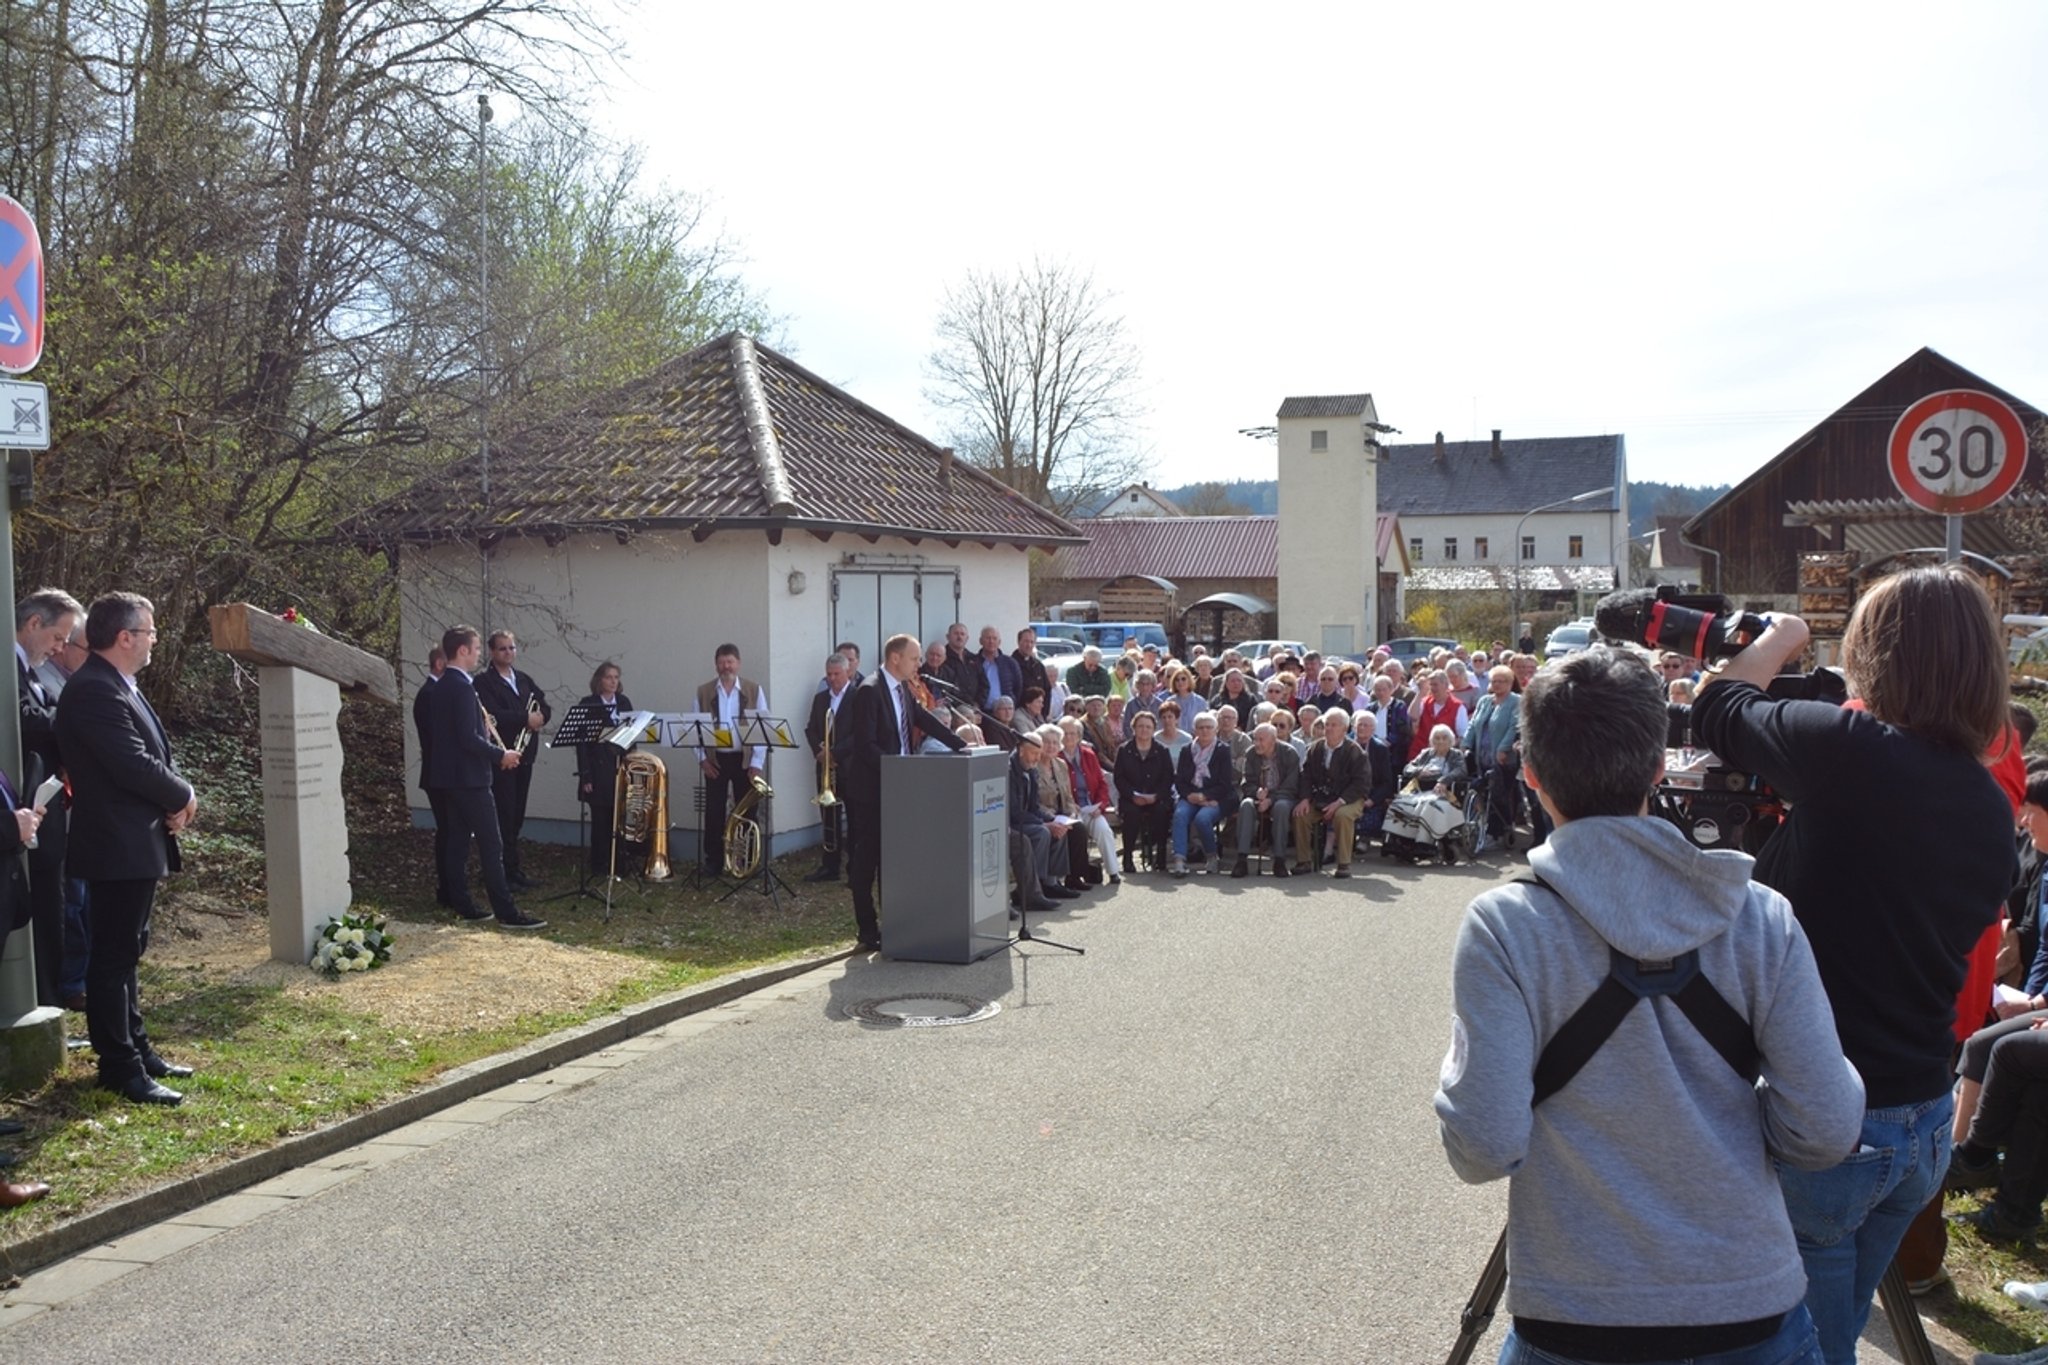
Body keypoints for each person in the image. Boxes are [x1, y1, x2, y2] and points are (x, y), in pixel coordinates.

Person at [1435, 645, 1863, 1365]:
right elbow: (1823, 1128)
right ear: (1661, 766)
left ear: (1533, 777)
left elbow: (1483, 1144)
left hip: (1575, 1312)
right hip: (1748, 1303)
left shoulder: (1506, 926)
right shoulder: (1760, 917)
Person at [1690, 566, 2015, 1362]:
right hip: (1922, 1121)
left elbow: (1717, 707)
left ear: (1879, 654)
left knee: (1807, 1345)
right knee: (1831, 1322)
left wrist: (1785, 636)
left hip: (1834, 1123)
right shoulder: (1985, 801)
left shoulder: (1850, 753)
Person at [52, 592, 197, 1105]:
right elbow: (130, 763)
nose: (156, 639)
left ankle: (137, 1049)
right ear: (124, 637)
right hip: (115, 843)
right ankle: (119, 1067)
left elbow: (152, 752)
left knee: (128, 950)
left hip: (134, 840)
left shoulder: (118, 684)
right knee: (112, 958)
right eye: (151, 631)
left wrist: (172, 798)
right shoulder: (94, 690)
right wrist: (183, 795)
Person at [835, 633, 966, 950]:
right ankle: (867, 931)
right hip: (872, 791)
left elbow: (922, 718)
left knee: (895, 860)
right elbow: (866, 746)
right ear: (895, 658)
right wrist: (899, 773)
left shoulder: (903, 689)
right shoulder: (869, 690)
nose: (918, 664)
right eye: (914, 658)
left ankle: (897, 924)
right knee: (866, 862)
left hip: (896, 788)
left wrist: (962, 745)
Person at [423, 626, 544, 932]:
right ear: (462, 651)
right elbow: (466, 738)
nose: (479, 654)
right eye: (476, 649)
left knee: (458, 843)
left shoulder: (442, 685)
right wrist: (499, 755)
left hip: (449, 778)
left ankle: (463, 904)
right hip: (470, 779)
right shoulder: (462, 687)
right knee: (492, 845)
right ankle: (507, 912)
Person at [15, 587, 81, 1007]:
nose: (60, 648)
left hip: (43, 805)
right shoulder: (9, 665)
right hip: (23, 808)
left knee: (50, 899)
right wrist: (74, 719)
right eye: (58, 637)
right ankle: (40, 998)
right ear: (34, 623)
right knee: (38, 902)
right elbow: (20, 718)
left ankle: (49, 996)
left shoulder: (29, 668)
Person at [474, 631, 551, 889]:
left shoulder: (524, 679)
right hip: (502, 756)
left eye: (512, 648)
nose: (509, 653)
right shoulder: (484, 682)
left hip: (525, 755)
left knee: (517, 815)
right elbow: (491, 715)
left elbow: (543, 706)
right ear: (492, 653)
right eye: (503, 649)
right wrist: (524, 718)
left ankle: (513, 869)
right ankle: (500, 873)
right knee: (503, 816)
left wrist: (541, 718)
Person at [694, 643, 769, 878]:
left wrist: (757, 763)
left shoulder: (753, 690)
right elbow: (696, 730)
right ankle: (714, 862)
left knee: (747, 811)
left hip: (744, 761)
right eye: (722, 662)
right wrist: (703, 760)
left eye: (730, 661)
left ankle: (747, 862)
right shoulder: (704, 691)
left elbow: (762, 729)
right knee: (713, 811)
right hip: (716, 760)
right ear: (716, 664)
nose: (726, 666)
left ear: (738, 663)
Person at [1293, 710, 1370, 877]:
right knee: (1301, 814)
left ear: (1344, 729)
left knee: (1342, 816)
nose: (1328, 728)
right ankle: (1304, 861)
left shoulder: (1355, 751)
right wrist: (1305, 798)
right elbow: (1305, 776)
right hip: (1321, 797)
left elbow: (1361, 783)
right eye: (1326, 724)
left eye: (1333, 725)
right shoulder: (1315, 748)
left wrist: (1339, 802)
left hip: (1348, 799)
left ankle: (1343, 864)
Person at [575, 661, 633, 877]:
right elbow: (582, 745)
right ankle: (599, 866)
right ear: (599, 680)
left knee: (619, 819)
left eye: (616, 677)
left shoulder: (624, 702)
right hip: (598, 770)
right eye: (609, 677)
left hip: (619, 768)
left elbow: (631, 735)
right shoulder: (588, 703)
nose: (613, 681)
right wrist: (585, 775)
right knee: (600, 820)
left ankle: (619, 865)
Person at [802, 653, 854, 884]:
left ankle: (856, 868)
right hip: (825, 767)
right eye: (829, 674)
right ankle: (830, 867)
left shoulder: (858, 696)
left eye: (837, 674)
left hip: (849, 767)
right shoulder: (821, 699)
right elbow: (810, 729)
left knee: (854, 818)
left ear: (848, 672)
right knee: (829, 818)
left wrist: (836, 752)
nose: (832, 679)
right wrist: (819, 752)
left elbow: (859, 733)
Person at [1008, 730, 1076, 903]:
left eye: (1039, 753)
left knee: (1059, 826)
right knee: (1042, 832)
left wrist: (1052, 820)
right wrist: (1044, 824)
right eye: (1034, 753)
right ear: (1021, 750)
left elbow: (1034, 807)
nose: (1037, 758)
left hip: (1026, 818)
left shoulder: (1031, 770)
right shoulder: (1009, 770)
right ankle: (1032, 889)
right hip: (1010, 823)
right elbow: (1014, 812)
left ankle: (1051, 883)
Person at [1169, 711, 1236, 877]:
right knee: (1180, 814)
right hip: (1190, 795)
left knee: (1203, 818)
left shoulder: (1222, 750)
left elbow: (1225, 783)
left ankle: (1211, 856)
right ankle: (1179, 860)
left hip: (1216, 796)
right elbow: (1180, 780)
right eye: (1201, 728)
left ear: (1215, 729)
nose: (1205, 731)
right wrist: (1190, 795)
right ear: (1195, 730)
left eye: (1209, 727)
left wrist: (1204, 796)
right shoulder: (1186, 751)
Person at [1465, 664, 1521, 854]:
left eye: (1501, 681)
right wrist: (1466, 744)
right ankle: (1482, 828)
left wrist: (1504, 749)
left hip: (1503, 758)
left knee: (1498, 793)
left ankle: (1495, 832)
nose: (1496, 685)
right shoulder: (1485, 701)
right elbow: (1473, 725)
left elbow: (1514, 727)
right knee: (1481, 792)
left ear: (1510, 683)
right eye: (1494, 681)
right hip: (1482, 755)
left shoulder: (1516, 702)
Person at [413, 645, 453, 904]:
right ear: (440, 664)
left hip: (447, 774)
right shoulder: (430, 694)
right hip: (440, 775)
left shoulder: (438, 692)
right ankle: (446, 888)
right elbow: (438, 740)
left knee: (453, 830)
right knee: (448, 830)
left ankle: (451, 886)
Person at [1233, 721, 1299, 878]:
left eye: (1261, 740)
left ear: (1273, 740)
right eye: (1255, 739)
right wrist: (1257, 792)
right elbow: (1246, 782)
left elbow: (1292, 785)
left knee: (1281, 807)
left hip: (1283, 796)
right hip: (1258, 797)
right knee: (1246, 805)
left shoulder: (1289, 753)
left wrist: (1271, 799)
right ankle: (1242, 859)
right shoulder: (1251, 754)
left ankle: (1279, 860)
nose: (1257, 743)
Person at [1112, 709, 1174, 874]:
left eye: (1148, 726)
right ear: (1134, 728)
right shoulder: (1124, 750)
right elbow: (1119, 778)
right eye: (1140, 726)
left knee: (1162, 811)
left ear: (1154, 729)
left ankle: (1161, 858)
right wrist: (1132, 795)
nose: (1144, 730)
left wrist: (1156, 796)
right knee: (1131, 813)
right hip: (1131, 798)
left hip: (1156, 797)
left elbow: (1167, 778)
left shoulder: (1162, 751)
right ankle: (1128, 858)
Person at [1060, 718, 1120, 884]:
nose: (1069, 737)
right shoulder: (1056, 757)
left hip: (1090, 807)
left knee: (1104, 830)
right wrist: (1071, 807)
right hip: (1069, 810)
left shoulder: (1088, 754)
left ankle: (1114, 872)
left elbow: (1102, 784)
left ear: (1079, 736)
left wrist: (1100, 807)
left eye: (1073, 733)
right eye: (1064, 733)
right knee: (1077, 831)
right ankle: (1076, 876)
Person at [1351, 709, 1397, 840]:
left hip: (1371, 793)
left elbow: (1386, 781)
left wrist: (1372, 800)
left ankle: (1364, 838)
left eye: (1366, 725)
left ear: (1373, 729)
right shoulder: (1346, 744)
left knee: (1371, 813)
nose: (1362, 728)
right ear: (1354, 726)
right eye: (1359, 724)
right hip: (1348, 792)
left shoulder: (1380, 749)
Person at [1408, 669, 1468, 760]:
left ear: (1446, 685)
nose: (1432, 688)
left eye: (1435, 685)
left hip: (1444, 756)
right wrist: (1420, 693)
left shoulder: (1458, 707)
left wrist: (1442, 746)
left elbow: (1462, 736)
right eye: (1431, 685)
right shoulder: (1425, 702)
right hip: (1419, 753)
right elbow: (1412, 715)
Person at [974, 626, 1023, 712]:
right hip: (981, 712)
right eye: (988, 638)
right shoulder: (974, 662)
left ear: (999, 642)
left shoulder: (1010, 663)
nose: (991, 641)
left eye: (994, 638)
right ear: (980, 641)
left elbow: (1018, 688)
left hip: (1004, 713)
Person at [938, 622, 983, 707]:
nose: (959, 637)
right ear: (948, 637)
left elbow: (984, 684)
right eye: (956, 634)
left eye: (962, 634)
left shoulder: (974, 658)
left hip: (975, 708)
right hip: (954, 708)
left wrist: (978, 704)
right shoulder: (942, 658)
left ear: (967, 638)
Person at [1014, 627, 1051, 703]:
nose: (1029, 645)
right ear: (1018, 642)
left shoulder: (1038, 665)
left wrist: (1044, 713)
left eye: (1032, 642)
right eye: (1026, 641)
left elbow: (1047, 689)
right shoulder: (1011, 664)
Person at [1154, 698, 1191, 765]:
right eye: (1164, 717)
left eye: (1170, 717)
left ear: (1177, 719)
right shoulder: (1155, 738)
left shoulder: (1187, 739)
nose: (1167, 720)